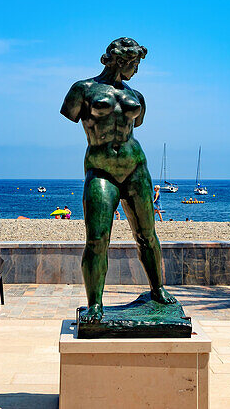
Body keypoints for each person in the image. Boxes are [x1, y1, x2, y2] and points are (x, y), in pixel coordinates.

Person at [60, 37, 175, 324]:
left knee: (147, 235)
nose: (137, 70)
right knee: (97, 239)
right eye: (135, 64)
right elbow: (72, 115)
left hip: (136, 167)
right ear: (122, 61)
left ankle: (157, 289)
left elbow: (135, 127)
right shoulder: (83, 89)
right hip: (101, 169)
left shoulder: (136, 96)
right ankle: (95, 303)